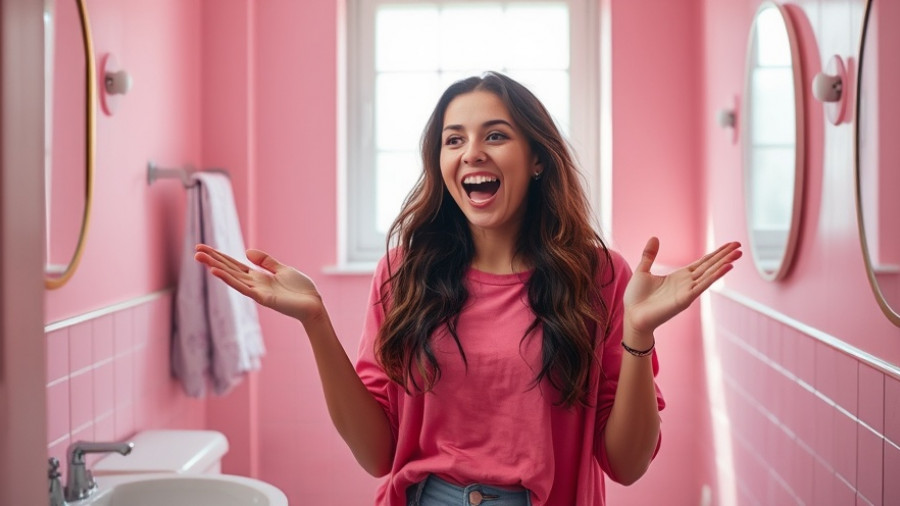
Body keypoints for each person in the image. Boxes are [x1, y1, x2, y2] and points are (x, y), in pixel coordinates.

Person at [194, 71, 742, 506]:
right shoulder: (403, 273)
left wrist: (640, 335)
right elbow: (378, 453)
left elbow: (627, 465)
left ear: (537, 161)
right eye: (454, 140)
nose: (471, 152)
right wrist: (316, 322)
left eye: (495, 135)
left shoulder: (600, 278)